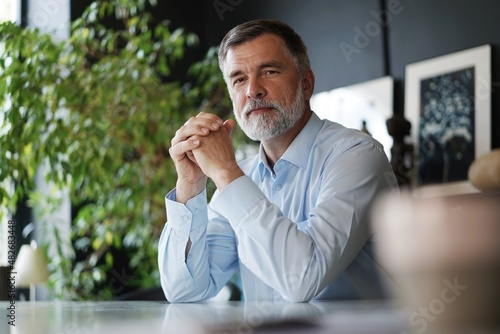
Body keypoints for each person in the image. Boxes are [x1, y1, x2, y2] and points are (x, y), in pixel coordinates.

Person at [159, 19, 398, 303]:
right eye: (239, 79)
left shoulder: (357, 155)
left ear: (306, 84)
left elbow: (303, 279)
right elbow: (185, 291)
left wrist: (225, 173)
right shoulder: (242, 177)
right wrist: (190, 185)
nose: (253, 90)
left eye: (269, 71)